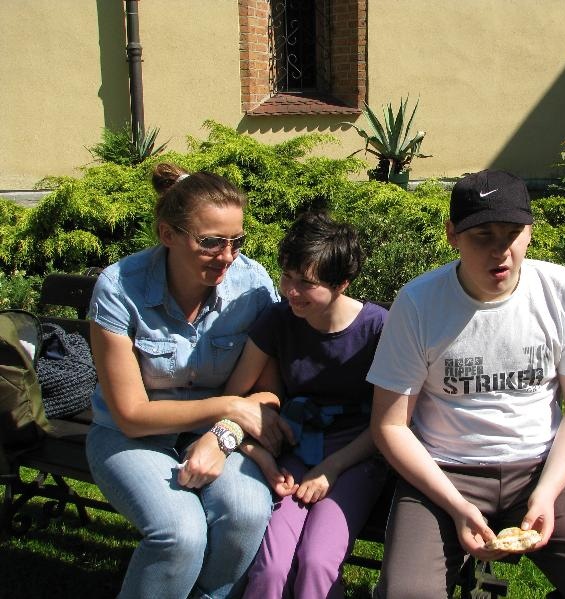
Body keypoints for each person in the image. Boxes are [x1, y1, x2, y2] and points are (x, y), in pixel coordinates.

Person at [367, 169, 565, 598]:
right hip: (444, 472)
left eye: (513, 234)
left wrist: (547, 492)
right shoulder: (419, 303)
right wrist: (456, 506)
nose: (501, 251)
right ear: (452, 234)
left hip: (540, 466)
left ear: (530, 232)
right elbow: (389, 424)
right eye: (482, 236)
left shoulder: (562, 290)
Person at [85, 163, 290, 599]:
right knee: (180, 534)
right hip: (130, 438)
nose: (228, 256)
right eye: (211, 242)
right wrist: (229, 407)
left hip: (221, 433)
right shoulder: (120, 288)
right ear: (168, 234)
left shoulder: (252, 285)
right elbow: (131, 415)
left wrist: (223, 433)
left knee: (246, 515)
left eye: (237, 241)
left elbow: (268, 390)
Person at [213, 211, 388, 599]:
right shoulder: (279, 320)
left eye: (306, 283)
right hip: (295, 446)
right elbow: (233, 397)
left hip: (357, 454)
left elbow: (389, 423)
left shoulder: (377, 329)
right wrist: (256, 450)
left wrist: (332, 468)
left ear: (341, 284)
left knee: (316, 561)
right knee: (272, 566)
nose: (291, 291)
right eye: (287, 276)